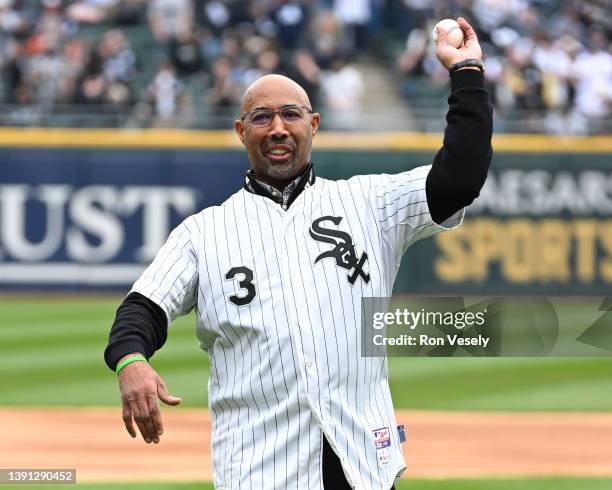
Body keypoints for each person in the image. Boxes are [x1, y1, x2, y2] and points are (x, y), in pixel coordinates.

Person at [104, 17, 492, 490]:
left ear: (313, 124)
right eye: (262, 117)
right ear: (241, 131)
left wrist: (467, 73)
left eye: (290, 114)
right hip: (260, 470)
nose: (278, 128)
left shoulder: (368, 202)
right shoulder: (203, 233)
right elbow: (141, 310)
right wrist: (131, 362)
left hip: (363, 464)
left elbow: (460, 177)